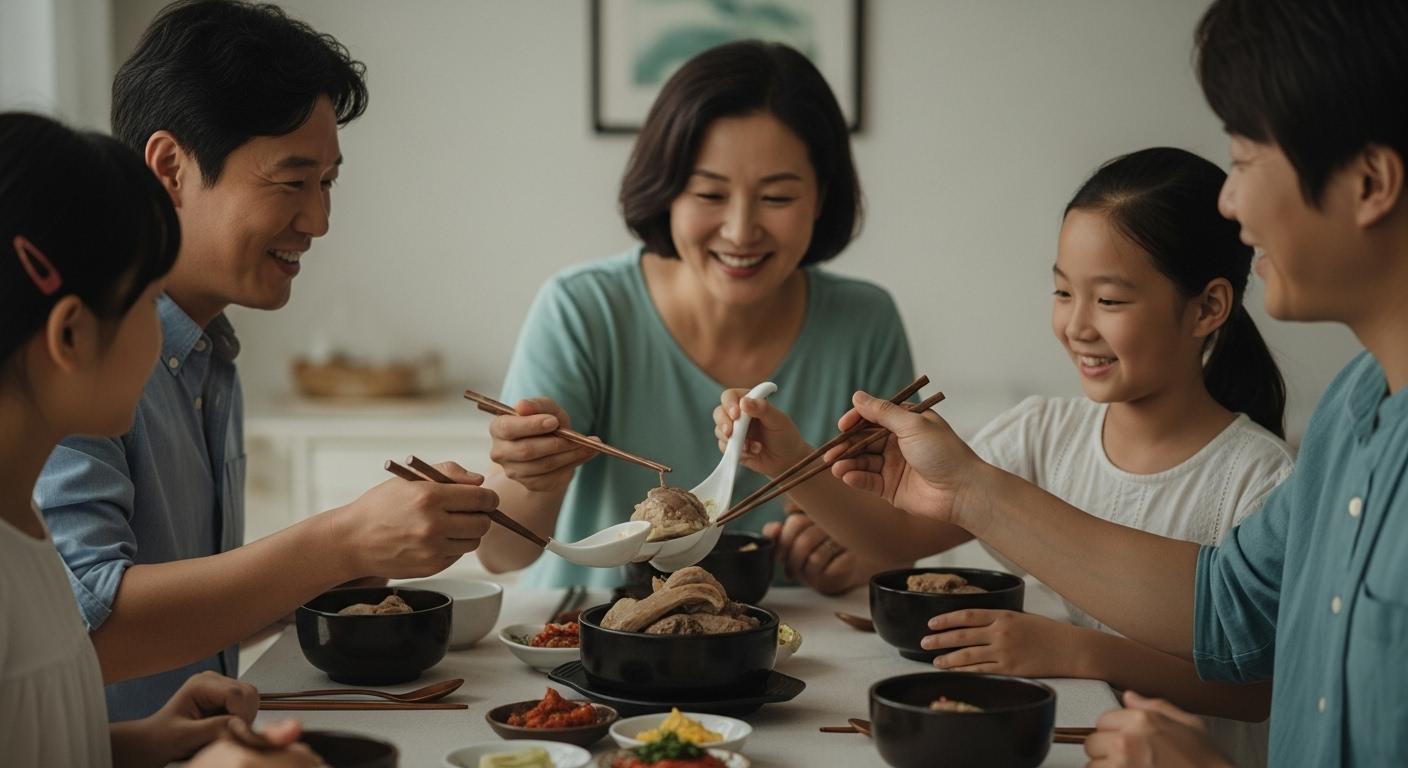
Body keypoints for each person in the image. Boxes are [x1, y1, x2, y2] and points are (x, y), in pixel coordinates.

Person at [828, 1, 1408, 763]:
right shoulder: (1354, 409)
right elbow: (1227, 606)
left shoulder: (1268, 459)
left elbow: (1243, 667)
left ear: (1369, 182)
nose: (1230, 204)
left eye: (1242, 158)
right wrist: (969, 487)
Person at [715, 147, 1290, 766]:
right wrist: (788, 461)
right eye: (1063, 291)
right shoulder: (1043, 432)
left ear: (1207, 307)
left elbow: (1256, 689)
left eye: (1111, 300)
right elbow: (895, 540)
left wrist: (1078, 652)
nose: (1077, 325)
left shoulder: (1261, 479)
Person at [35, 0, 496, 722]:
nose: (318, 220)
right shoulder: (77, 359)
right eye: (292, 181)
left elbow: (198, 614)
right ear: (169, 167)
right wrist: (339, 542)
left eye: (328, 183)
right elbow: (88, 628)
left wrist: (364, 559)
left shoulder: (210, 352)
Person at [477, 40, 915, 590]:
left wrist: (857, 552)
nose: (739, 231)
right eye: (709, 193)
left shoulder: (865, 321)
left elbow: (905, 541)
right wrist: (535, 477)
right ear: (666, 192)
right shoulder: (583, 310)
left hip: (796, 649)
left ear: (822, 197)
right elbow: (500, 556)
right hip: (597, 643)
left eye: (776, 198)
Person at [0, 112, 322, 768]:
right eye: (149, 302)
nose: (169, 333)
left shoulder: (23, 527)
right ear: (70, 336)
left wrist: (143, 745)